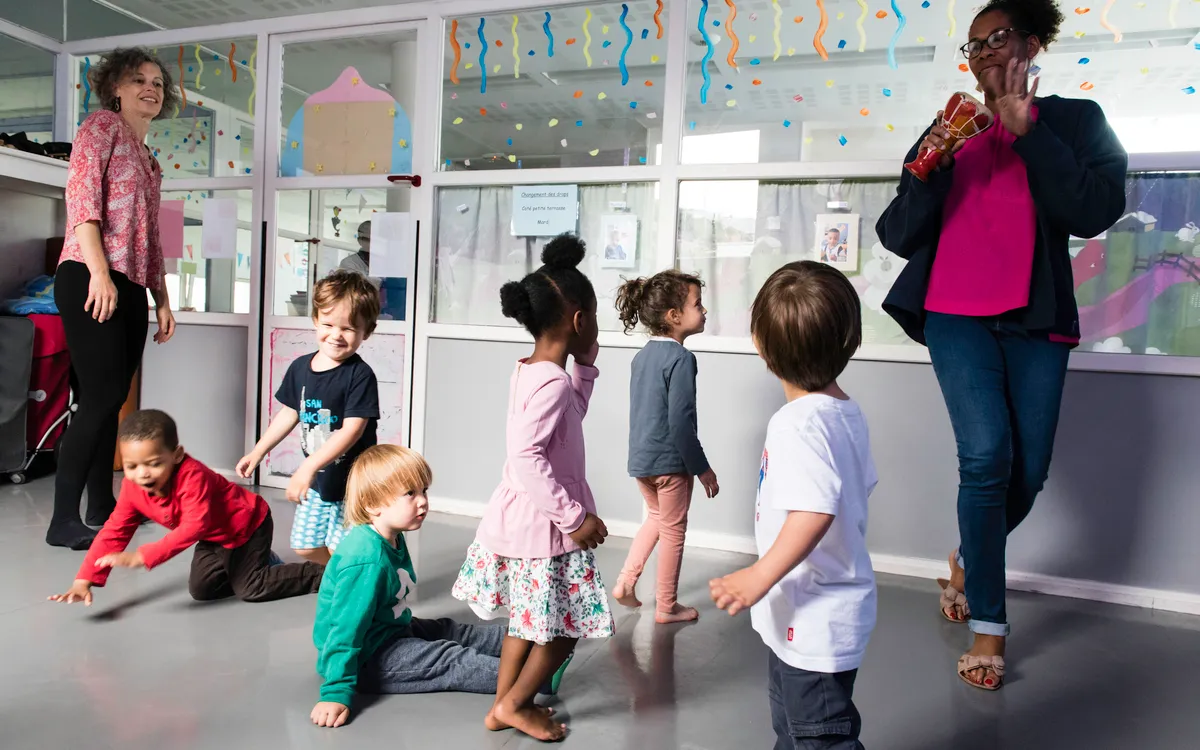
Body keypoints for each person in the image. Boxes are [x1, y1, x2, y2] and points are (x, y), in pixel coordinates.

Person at [876, 0, 1126, 690]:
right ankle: (990, 624)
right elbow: (896, 234)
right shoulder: (948, 129)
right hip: (954, 313)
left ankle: (966, 560)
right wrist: (927, 170)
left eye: (999, 38)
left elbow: (1095, 211)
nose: (985, 53)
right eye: (975, 44)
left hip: (1035, 317)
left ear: (1034, 42)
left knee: (1029, 473)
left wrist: (1029, 133)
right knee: (985, 457)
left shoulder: (1076, 122)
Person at [451, 234, 614, 742]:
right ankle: (517, 705)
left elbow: (568, 420)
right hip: (545, 524)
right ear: (580, 321)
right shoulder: (552, 382)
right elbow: (526, 455)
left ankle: (504, 706)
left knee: (527, 622)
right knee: (563, 630)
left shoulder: (536, 372)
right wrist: (575, 517)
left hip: (525, 518)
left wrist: (585, 369)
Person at [710, 261, 876, 750]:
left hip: (813, 624)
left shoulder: (797, 425)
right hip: (805, 616)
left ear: (762, 348)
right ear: (852, 340)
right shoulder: (845, 413)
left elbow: (815, 510)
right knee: (794, 731)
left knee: (818, 738)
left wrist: (758, 575)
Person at [310, 444, 572, 729]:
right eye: (410, 494)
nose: (422, 501)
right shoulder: (364, 559)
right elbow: (344, 631)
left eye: (424, 490)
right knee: (449, 658)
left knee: (448, 629)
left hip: (388, 630)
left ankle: (530, 640)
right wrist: (335, 691)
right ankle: (538, 674)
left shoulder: (390, 536)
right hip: (366, 658)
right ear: (373, 504)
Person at [48, 48, 180, 550]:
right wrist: (99, 275)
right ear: (116, 89)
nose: (151, 88)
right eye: (138, 80)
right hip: (89, 275)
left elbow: (152, 237)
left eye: (158, 82)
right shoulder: (100, 127)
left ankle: (102, 506)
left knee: (111, 401)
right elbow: (82, 202)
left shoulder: (150, 159)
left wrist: (161, 298)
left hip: (129, 284)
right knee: (100, 397)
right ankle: (62, 521)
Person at [47, 410, 323, 606]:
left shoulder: (193, 476)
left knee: (251, 589)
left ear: (176, 455)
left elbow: (195, 526)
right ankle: (256, 564)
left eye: (154, 463)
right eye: (132, 466)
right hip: (215, 537)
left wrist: (143, 556)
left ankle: (319, 575)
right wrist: (84, 580)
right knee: (202, 591)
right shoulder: (134, 488)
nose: (142, 474)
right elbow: (114, 531)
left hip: (247, 526)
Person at [236, 271, 381, 565]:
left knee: (348, 548)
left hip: (353, 484)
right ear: (315, 320)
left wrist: (308, 466)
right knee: (304, 546)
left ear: (367, 331)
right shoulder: (300, 368)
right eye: (328, 324)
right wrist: (258, 451)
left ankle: (361, 580)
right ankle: (340, 574)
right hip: (318, 481)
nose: (336, 335)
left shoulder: (360, 375)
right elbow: (289, 413)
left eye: (349, 328)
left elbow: (352, 431)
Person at [610, 270, 719, 624]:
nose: (704, 311)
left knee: (656, 519)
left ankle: (626, 582)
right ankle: (667, 606)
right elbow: (680, 423)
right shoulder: (682, 359)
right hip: (671, 463)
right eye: (697, 304)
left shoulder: (642, 357)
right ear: (674, 316)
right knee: (673, 530)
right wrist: (702, 468)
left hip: (641, 460)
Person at [338, 220, 382, 290]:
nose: (372, 243)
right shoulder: (348, 263)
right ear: (359, 240)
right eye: (367, 239)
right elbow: (355, 288)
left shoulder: (385, 263)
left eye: (375, 240)